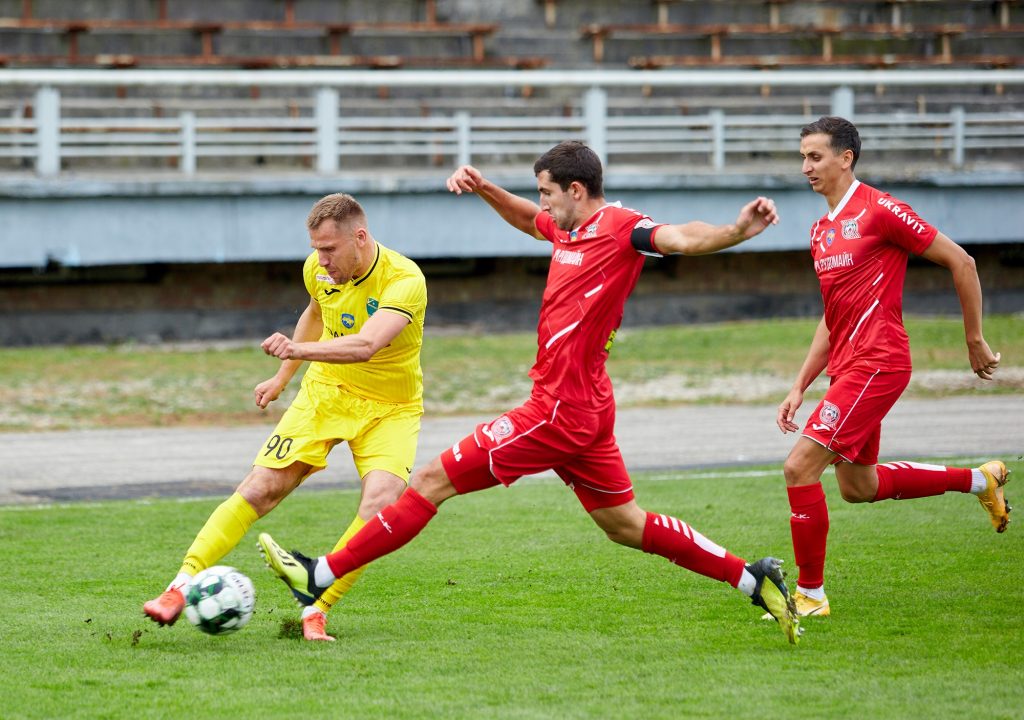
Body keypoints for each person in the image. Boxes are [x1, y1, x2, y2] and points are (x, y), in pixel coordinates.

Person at [258, 140, 802, 644]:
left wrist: (735, 231)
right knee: (625, 524)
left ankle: (320, 573)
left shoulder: (621, 228)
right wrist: (487, 189)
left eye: (546, 191)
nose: (541, 203)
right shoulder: (566, 229)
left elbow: (680, 237)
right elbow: (529, 220)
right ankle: (754, 580)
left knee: (428, 481)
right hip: (585, 405)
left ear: (576, 191)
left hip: (558, 410)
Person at [143, 192, 428, 642]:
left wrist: (296, 350)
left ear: (360, 237)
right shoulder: (317, 270)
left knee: (380, 508)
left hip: (391, 409)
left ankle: (317, 608)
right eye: (315, 248)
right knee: (260, 489)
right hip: (326, 394)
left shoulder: (405, 280)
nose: (321, 259)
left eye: (329, 249)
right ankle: (178, 588)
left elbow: (365, 345)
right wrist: (282, 377)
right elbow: (316, 313)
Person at [773, 116, 1010, 619]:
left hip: (878, 363)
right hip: (849, 367)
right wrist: (800, 384)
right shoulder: (820, 231)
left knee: (799, 468)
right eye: (802, 157)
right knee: (859, 487)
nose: (805, 168)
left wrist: (974, 338)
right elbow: (832, 319)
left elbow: (962, 262)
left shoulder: (881, 210)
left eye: (815, 157)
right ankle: (978, 481)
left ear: (846, 158)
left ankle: (811, 597)